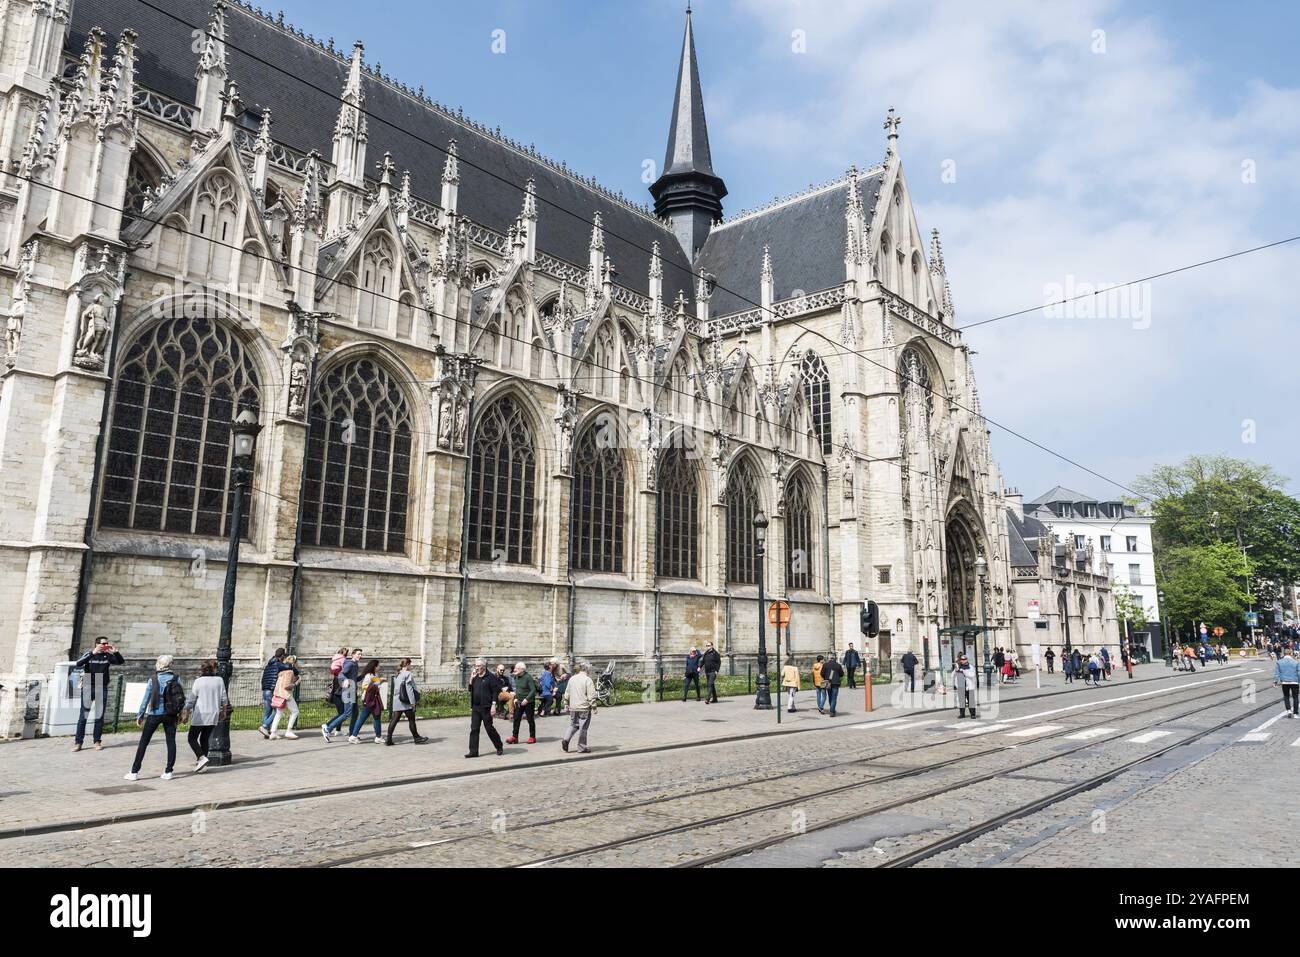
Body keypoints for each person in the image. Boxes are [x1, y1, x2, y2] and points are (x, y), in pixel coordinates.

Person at [124, 655, 183, 781]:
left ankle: (134, 772)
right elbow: (180, 697)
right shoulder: (177, 678)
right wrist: (180, 713)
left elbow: (146, 699)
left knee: (144, 742)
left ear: (159, 664)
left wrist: (140, 715)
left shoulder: (153, 679)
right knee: (171, 742)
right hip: (171, 714)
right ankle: (168, 771)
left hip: (155, 713)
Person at [72, 636, 124, 752]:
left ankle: (97, 741)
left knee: (99, 717)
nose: (105, 645)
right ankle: (78, 742)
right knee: (83, 717)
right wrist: (92, 653)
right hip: (88, 685)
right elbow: (78, 664)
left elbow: (120, 662)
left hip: (102, 686)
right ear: (96, 644)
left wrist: (116, 652)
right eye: (103, 644)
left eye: (106, 644)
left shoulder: (108, 656)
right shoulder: (89, 654)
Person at [183, 658, 228, 772]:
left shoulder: (198, 681)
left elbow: (192, 700)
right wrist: (224, 711)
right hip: (214, 712)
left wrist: (186, 712)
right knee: (205, 738)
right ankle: (202, 764)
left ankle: (202, 758)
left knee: (192, 738)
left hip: (201, 713)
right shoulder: (219, 680)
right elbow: (224, 698)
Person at [466, 658, 505, 758]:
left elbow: (495, 692)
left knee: (489, 728)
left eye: (478, 666)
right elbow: (471, 690)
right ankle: (473, 751)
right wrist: (471, 680)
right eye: (475, 666)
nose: (476, 668)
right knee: (474, 729)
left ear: (484, 667)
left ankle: (499, 746)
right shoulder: (475, 677)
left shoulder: (490, 677)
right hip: (476, 707)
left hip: (486, 707)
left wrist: (493, 705)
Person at [323, 648, 363, 740]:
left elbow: (354, 679)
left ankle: (352, 735)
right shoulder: (349, 664)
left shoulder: (355, 664)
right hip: (348, 691)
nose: (360, 656)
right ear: (353, 654)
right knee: (347, 714)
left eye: (361, 654)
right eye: (358, 654)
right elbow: (341, 674)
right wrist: (344, 680)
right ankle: (328, 729)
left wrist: (364, 674)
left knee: (355, 713)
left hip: (352, 690)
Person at [386, 658, 428, 745]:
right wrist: (413, 702)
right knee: (411, 720)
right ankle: (417, 738)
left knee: (394, 719)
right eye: (410, 664)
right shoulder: (408, 674)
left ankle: (388, 739)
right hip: (406, 701)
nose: (411, 666)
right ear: (408, 664)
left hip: (397, 700)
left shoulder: (398, 674)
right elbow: (409, 689)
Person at [561, 661, 597, 753]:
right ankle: (581, 747)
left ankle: (566, 739)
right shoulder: (587, 680)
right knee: (583, 728)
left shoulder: (572, 678)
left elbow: (567, 692)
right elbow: (591, 695)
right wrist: (594, 707)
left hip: (573, 707)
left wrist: (565, 703)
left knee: (573, 725)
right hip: (584, 707)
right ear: (587, 669)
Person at [257, 648, 293, 739]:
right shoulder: (277, 664)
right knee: (278, 710)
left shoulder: (268, 664)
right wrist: (290, 661)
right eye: (283, 657)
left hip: (265, 690)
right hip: (272, 690)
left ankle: (267, 732)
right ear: (281, 656)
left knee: (267, 712)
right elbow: (288, 667)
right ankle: (265, 726)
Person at [348, 659, 384, 743]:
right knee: (375, 717)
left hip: (371, 699)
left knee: (372, 717)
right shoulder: (369, 675)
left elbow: (373, 683)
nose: (379, 667)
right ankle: (378, 737)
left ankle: (354, 736)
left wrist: (379, 681)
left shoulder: (373, 675)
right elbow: (364, 686)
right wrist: (377, 685)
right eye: (378, 665)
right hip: (369, 699)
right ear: (374, 667)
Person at [268, 655, 301, 739]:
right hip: (286, 695)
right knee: (295, 711)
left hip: (279, 694)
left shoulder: (281, 672)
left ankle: (273, 732)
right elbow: (286, 686)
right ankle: (289, 731)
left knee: (279, 713)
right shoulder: (290, 672)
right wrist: (295, 684)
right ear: (294, 663)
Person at [506, 661, 538, 745]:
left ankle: (532, 737)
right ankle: (514, 737)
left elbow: (533, 690)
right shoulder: (516, 677)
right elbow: (519, 689)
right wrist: (516, 698)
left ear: (522, 669)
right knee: (516, 719)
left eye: (517, 668)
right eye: (515, 668)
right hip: (519, 702)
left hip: (529, 702)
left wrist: (527, 699)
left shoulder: (528, 677)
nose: (515, 669)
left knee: (530, 719)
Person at [952, 652, 978, 719]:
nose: (963, 661)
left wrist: (963, 671)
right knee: (961, 701)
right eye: (962, 659)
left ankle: (973, 714)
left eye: (964, 659)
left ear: (967, 660)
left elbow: (972, 675)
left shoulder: (970, 667)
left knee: (971, 701)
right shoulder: (958, 667)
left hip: (969, 687)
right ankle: (962, 714)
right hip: (961, 686)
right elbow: (952, 676)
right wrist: (955, 670)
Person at [1275, 648, 1300, 718]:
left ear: (1284, 654)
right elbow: (1299, 673)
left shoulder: (1279, 662)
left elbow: (1277, 673)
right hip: (1295, 682)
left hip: (1285, 682)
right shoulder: (1296, 662)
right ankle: (1295, 713)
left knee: (1286, 696)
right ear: (1290, 653)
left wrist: (1275, 681)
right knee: (1295, 697)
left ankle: (1288, 710)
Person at [822, 652, 845, 717]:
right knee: (834, 697)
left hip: (828, 683)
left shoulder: (825, 665)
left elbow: (822, 674)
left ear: (829, 658)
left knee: (830, 696)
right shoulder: (838, 665)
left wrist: (826, 677)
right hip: (836, 683)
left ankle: (832, 710)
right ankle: (832, 711)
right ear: (834, 658)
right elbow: (841, 674)